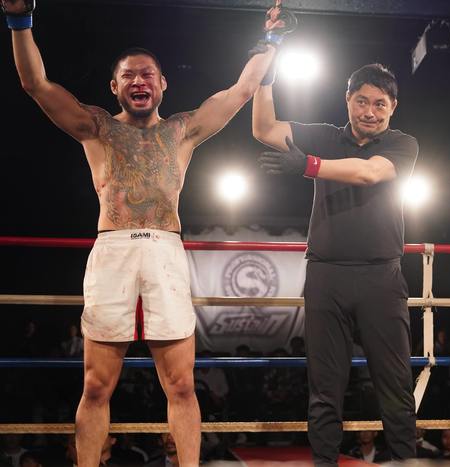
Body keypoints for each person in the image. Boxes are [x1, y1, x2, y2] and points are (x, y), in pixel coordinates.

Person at [2, 1, 293, 465]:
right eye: (129, 75)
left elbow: (241, 90)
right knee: (95, 385)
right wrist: (20, 20)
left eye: (147, 74)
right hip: (113, 248)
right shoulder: (96, 127)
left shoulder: (183, 130)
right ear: (114, 86)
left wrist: (272, 39)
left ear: (162, 83)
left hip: (165, 249)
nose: (139, 81)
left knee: (181, 384)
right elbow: (35, 84)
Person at [252, 63, 418, 466]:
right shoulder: (326, 137)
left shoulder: (403, 144)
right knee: (324, 389)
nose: (370, 112)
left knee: (396, 386)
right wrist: (265, 78)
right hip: (326, 274)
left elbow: (369, 173)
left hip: (381, 276)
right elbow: (264, 129)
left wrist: (309, 165)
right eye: (361, 101)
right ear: (347, 100)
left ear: (393, 107)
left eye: (379, 104)